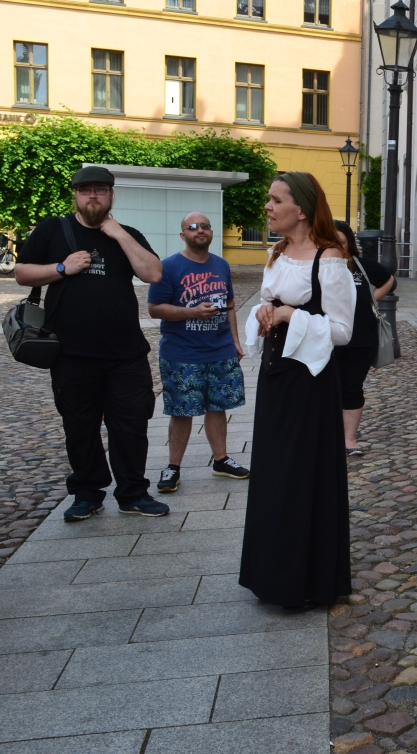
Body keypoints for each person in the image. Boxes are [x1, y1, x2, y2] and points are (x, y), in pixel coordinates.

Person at [14, 165, 169, 521]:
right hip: (70, 354)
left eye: (100, 190)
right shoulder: (54, 229)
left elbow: (153, 273)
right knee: (79, 427)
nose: (93, 196)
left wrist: (118, 234)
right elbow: (22, 273)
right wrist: (61, 268)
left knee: (131, 427)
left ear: (112, 195)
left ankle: (133, 493)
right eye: (86, 191)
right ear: (76, 195)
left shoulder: (128, 234)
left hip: (126, 354)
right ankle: (86, 493)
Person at [240, 172, 356, 612]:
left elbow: (343, 330)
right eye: (269, 199)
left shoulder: (330, 260)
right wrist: (265, 311)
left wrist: (292, 315)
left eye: (276, 200)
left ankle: (306, 580)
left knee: (302, 474)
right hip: (276, 377)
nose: (268, 206)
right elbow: (267, 304)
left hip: (310, 383)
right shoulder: (277, 253)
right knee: (274, 474)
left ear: (302, 209)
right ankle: (271, 575)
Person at [146, 212, 250, 493]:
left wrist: (235, 341)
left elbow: (229, 305)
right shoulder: (168, 266)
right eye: (192, 227)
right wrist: (192, 312)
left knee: (218, 407)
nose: (200, 230)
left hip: (220, 351)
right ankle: (173, 467)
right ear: (183, 235)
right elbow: (154, 309)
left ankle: (221, 460)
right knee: (182, 411)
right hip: (182, 353)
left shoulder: (221, 265)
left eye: (205, 226)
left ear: (211, 232)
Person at [331, 220, 394, 456]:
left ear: (349, 242)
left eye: (341, 241)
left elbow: (388, 279)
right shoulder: (317, 267)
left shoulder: (361, 266)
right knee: (326, 389)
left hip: (361, 340)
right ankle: (328, 435)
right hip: (327, 339)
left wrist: (371, 300)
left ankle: (349, 439)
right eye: (331, 241)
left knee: (352, 388)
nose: (337, 246)